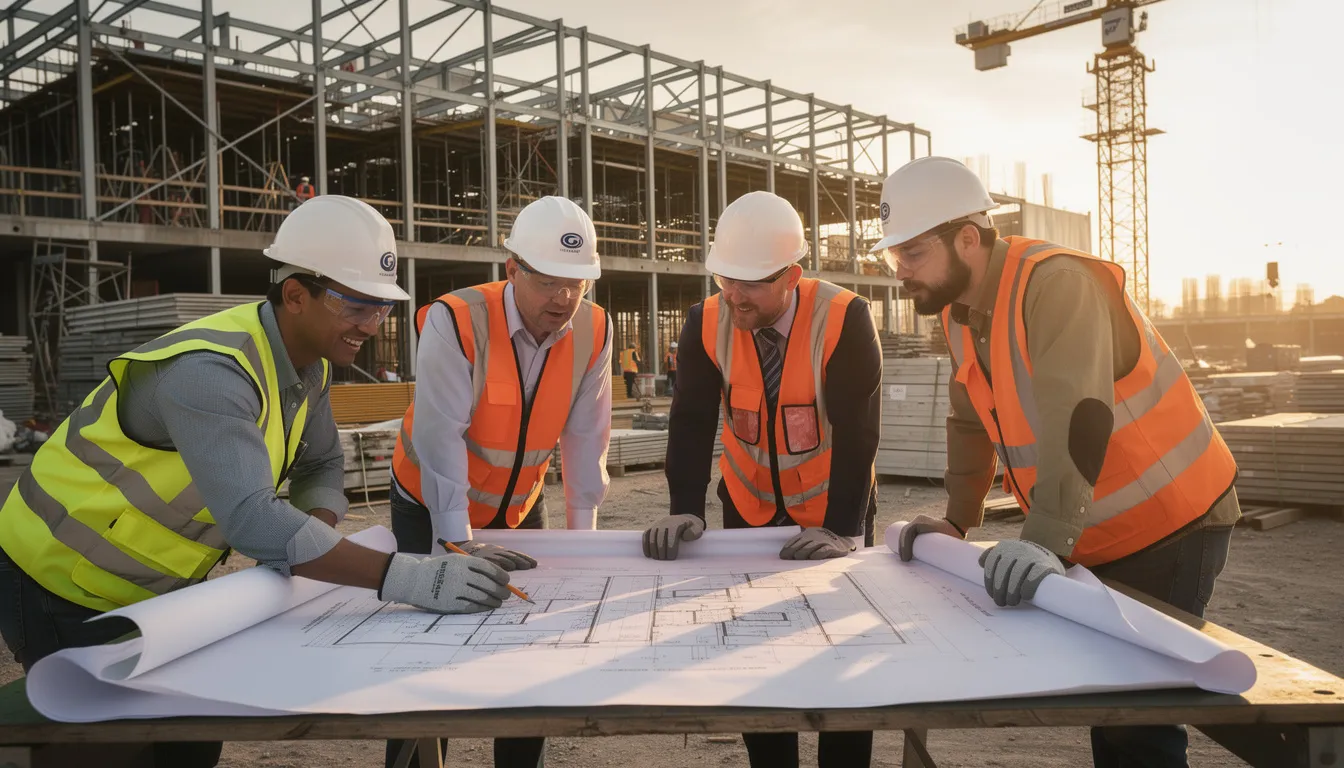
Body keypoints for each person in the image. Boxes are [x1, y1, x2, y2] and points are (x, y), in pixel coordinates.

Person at [0, 196, 515, 768]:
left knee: (189, 741)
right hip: (56, 581)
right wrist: (406, 578)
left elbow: (320, 466)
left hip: (157, 592)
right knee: (105, 746)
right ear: (295, 295)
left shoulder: (309, 367)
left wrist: (304, 548)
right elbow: (251, 518)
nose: (373, 325)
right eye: (357, 305)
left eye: (383, 308)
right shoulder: (211, 372)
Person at [882, 157, 1241, 768]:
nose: (901, 273)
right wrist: (959, 521)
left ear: (967, 237)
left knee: (1138, 718)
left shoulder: (1056, 284)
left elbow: (1081, 413)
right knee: (1110, 702)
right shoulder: (960, 311)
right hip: (1096, 528)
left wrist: (1045, 538)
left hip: (1170, 519)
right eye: (894, 259)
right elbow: (970, 420)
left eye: (912, 254)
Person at [643, 191, 881, 768]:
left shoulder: (843, 316)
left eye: (750, 283)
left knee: (838, 660)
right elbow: (694, 420)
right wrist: (685, 507)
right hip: (748, 511)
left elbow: (858, 432)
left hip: (833, 512)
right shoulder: (706, 321)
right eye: (726, 277)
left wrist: (842, 529)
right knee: (757, 656)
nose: (734, 294)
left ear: (792, 275)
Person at [388, 195, 612, 768]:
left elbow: (587, 438)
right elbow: (440, 437)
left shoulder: (592, 329)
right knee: (428, 645)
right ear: (512, 268)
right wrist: (455, 542)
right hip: (429, 503)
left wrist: (582, 539)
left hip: (517, 507)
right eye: (548, 282)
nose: (564, 299)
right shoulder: (455, 319)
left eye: (577, 284)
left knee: (523, 647)